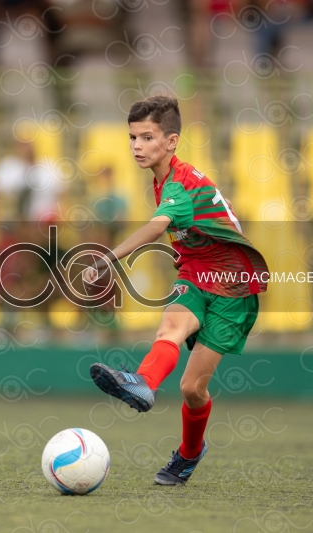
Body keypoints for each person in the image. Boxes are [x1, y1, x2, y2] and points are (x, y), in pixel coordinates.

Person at [89, 96, 268, 486]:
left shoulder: (179, 185)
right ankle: (143, 383)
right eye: (133, 137)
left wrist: (108, 258)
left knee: (192, 388)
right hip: (195, 273)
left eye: (147, 137)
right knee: (169, 328)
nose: (137, 145)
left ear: (171, 141)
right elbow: (206, 221)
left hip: (232, 287)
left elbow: (157, 226)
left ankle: (189, 453)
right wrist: (189, 248)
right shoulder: (169, 180)